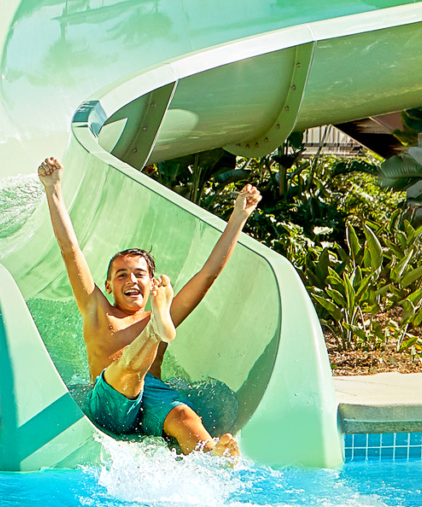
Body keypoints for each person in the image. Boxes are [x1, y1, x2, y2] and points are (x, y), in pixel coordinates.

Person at [35, 154, 258, 457]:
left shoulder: (160, 309)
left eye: (140, 274)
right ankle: (155, 332)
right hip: (111, 399)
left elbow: (208, 274)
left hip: (153, 395)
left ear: (152, 283)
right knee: (128, 369)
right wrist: (53, 190)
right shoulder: (97, 310)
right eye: (121, 274)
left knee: (184, 416)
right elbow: (70, 249)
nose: (131, 279)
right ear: (109, 285)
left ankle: (210, 453)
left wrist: (238, 217)